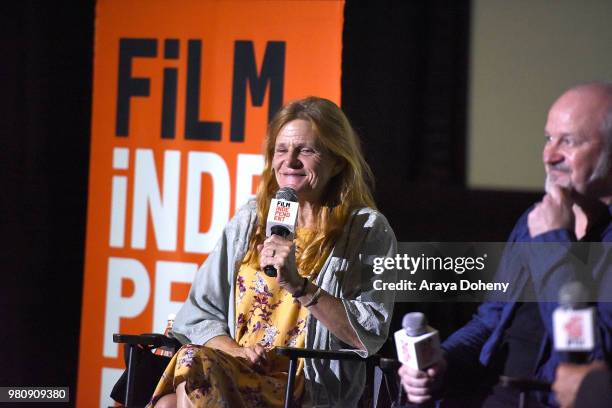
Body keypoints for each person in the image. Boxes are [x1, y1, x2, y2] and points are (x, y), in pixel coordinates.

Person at [149, 96, 397, 407]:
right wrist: (236, 351)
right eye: (281, 150)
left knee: (175, 398)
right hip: (238, 366)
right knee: (177, 391)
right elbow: (198, 312)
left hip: (304, 384)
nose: (289, 161)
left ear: (336, 162)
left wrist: (301, 287)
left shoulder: (367, 230)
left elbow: (370, 333)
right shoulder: (252, 218)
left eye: (306, 151)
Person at [399, 83, 612, 407]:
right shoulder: (535, 220)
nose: (550, 155)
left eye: (569, 141)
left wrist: (553, 242)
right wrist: (443, 362)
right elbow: (490, 319)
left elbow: (592, 356)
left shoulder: (546, 229)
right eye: (548, 138)